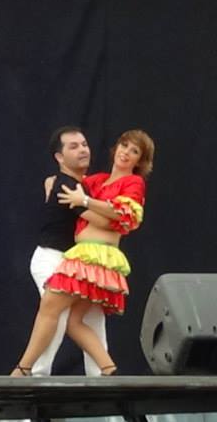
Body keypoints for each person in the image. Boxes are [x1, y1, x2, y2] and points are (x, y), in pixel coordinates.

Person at [12, 129, 155, 376]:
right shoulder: (96, 181)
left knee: (55, 309)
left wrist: (86, 202)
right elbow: (69, 184)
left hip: (95, 257)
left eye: (134, 151)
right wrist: (55, 183)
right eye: (124, 145)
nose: (126, 153)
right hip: (76, 255)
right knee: (76, 320)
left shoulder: (133, 182)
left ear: (140, 161)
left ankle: (27, 371)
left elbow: (124, 217)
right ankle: (106, 371)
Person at [30, 127, 108, 376]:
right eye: (73, 147)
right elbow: (103, 221)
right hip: (52, 258)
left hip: (77, 261)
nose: (83, 150)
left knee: (93, 314)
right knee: (57, 314)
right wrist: (121, 215)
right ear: (59, 157)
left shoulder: (81, 186)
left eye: (84, 144)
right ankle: (35, 376)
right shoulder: (66, 186)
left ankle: (101, 378)